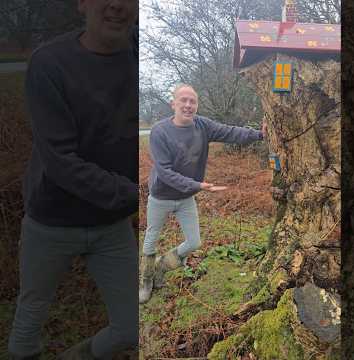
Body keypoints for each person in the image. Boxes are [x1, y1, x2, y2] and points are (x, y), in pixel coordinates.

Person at [8, 0, 139, 358]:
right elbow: (61, 162)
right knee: (30, 314)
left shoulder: (139, 59)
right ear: (83, 4)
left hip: (111, 225)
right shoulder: (49, 63)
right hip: (51, 221)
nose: (116, 5)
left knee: (132, 327)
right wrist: (137, 194)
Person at [139, 84, 266, 304]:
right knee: (150, 240)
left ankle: (161, 266)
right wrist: (198, 185)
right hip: (160, 197)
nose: (188, 105)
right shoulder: (160, 131)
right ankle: (146, 280)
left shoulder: (202, 125)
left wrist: (259, 134)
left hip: (186, 198)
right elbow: (166, 173)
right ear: (174, 104)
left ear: (197, 105)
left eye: (193, 101)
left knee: (194, 242)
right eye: (183, 101)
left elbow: (230, 132)